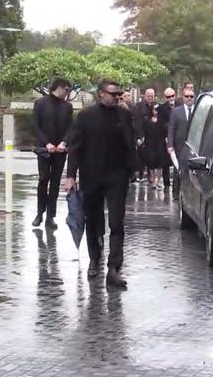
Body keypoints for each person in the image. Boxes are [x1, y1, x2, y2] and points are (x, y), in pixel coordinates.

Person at [64, 79, 136, 288]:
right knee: (94, 222)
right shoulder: (85, 117)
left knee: (116, 222)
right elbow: (75, 149)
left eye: (119, 94)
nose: (116, 97)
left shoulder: (124, 115)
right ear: (100, 94)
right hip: (92, 176)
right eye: (113, 94)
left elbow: (130, 144)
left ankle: (113, 268)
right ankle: (94, 259)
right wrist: (71, 176)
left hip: (117, 176)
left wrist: (132, 168)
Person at [31, 78, 73, 229]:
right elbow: (36, 126)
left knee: (55, 183)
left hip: (60, 151)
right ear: (59, 88)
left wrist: (64, 142)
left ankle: (50, 216)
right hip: (44, 149)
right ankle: (39, 212)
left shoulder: (68, 107)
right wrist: (46, 143)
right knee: (43, 179)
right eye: (67, 90)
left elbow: (70, 128)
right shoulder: (40, 103)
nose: (68, 93)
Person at [134, 88, 167, 189]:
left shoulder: (159, 108)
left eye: (152, 96)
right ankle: (150, 178)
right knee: (149, 159)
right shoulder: (139, 107)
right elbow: (138, 123)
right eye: (148, 96)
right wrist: (139, 137)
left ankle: (158, 180)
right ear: (145, 96)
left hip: (159, 141)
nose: (150, 98)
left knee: (159, 161)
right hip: (148, 139)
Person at [168, 86, 195, 198]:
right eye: (186, 96)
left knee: (193, 171)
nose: (189, 98)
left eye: (191, 96)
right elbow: (171, 128)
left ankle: (190, 194)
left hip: (194, 146)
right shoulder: (176, 112)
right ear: (183, 97)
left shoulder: (198, 111)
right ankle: (176, 194)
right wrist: (170, 145)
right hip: (179, 145)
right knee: (178, 170)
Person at [154, 88, 176, 191]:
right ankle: (166, 184)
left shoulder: (180, 106)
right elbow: (159, 124)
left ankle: (177, 183)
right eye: (168, 97)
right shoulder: (161, 109)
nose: (171, 98)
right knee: (165, 162)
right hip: (165, 138)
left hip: (178, 138)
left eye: (172, 96)